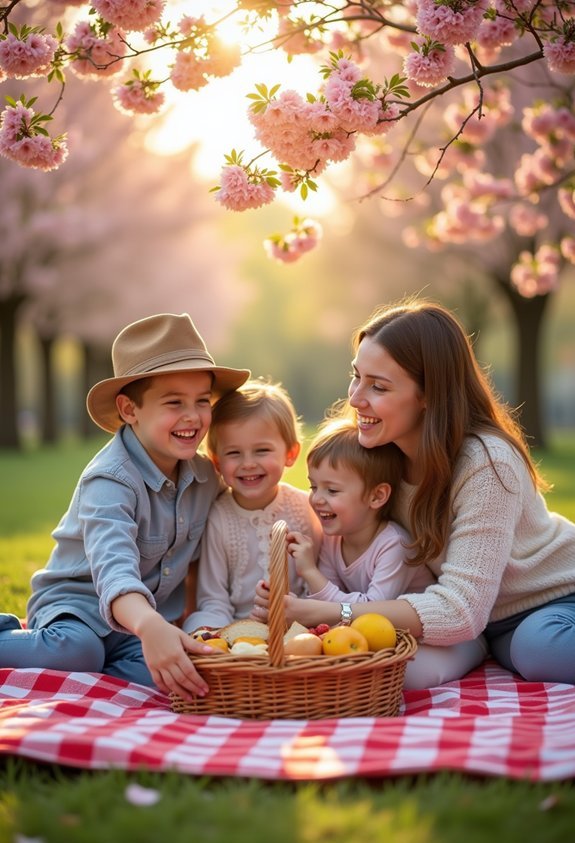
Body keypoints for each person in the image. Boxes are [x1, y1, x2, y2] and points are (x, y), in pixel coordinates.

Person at [256, 298, 575, 687]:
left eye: (379, 386)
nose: (356, 398)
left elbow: (460, 611)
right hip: (491, 627)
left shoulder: (486, 463)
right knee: (395, 671)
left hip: (553, 600)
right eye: (356, 376)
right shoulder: (377, 456)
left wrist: (328, 612)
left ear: (428, 395)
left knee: (536, 649)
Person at [0, 313, 250, 701]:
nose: (193, 416)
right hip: (79, 608)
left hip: (141, 626)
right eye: (174, 402)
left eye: (202, 401)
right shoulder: (110, 480)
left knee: (172, 673)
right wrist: (150, 627)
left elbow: (231, 528)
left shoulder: (204, 477)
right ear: (130, 410)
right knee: (78, 651)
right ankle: (22, 639)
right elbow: (113, 571)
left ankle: (92, 674)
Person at [183, 379, 322, 633]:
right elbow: (213, 597)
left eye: (262, 451)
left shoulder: (305, 508)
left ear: (290, 454)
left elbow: (322, 579)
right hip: (237, 625)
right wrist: (226, 634)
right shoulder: (219, 517)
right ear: (216, 461)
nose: (248, 463)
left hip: (300, 623)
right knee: (198, 625)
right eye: (234, 453)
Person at [286, 417, 435, 608]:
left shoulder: (395, 545)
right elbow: (324, 604)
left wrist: (310, 571)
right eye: (313, 487)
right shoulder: (333, 540)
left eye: (332, 490)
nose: (316, 499)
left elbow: (370, 609)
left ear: (377, 496)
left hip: (433, 638)